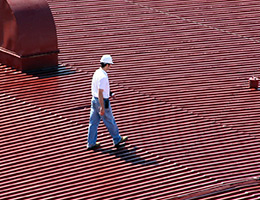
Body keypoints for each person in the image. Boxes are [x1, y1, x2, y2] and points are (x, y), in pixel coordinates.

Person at [87, 55, 128, 150]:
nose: (111, 67)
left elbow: (100, 89)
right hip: (102, 102)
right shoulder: (103, 77)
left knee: (93, 123)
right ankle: (117, 140)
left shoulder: (97, 72)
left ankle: (91, 143)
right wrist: (102, 107)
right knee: (110, 121)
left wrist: (110, 93)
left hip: (94, 100)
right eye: (110, 65)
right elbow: (100, 92)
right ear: (107, 64)